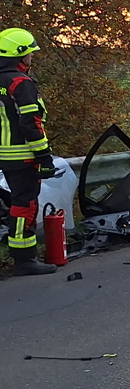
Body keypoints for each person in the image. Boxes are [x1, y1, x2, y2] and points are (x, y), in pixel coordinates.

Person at [0, 28, 57, 275]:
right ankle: (24, 259)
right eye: (30, 54)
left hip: (4, 155)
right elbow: (30, 123)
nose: (32, 59)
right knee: (26, 204)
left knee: (17, 202)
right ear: (20, 56)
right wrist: (44, 157)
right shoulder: (20, 83)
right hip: (23, 155)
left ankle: (20, 257)